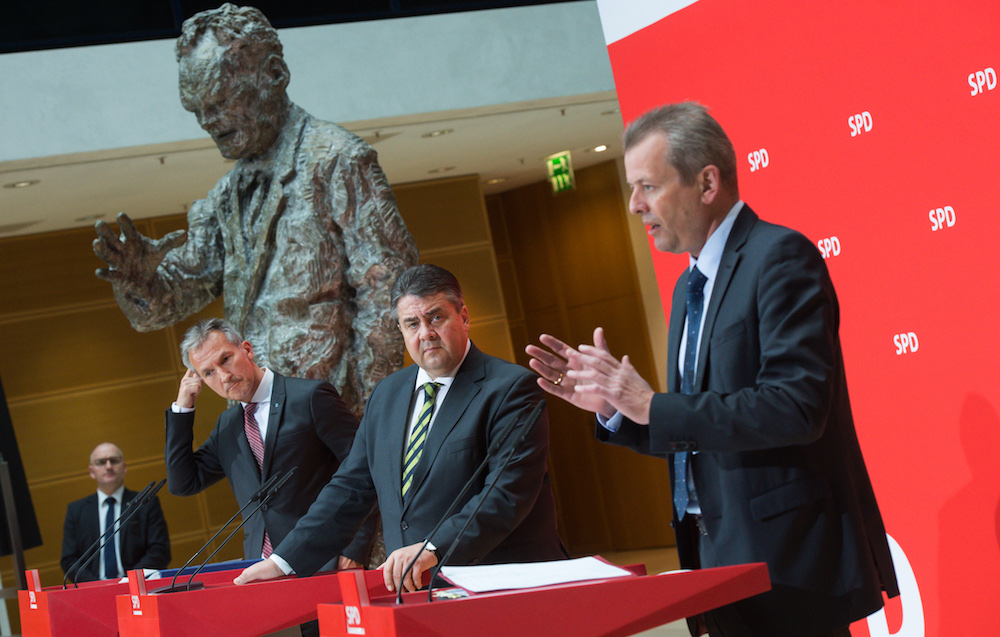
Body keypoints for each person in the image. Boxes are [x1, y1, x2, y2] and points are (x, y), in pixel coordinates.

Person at [526, 103, 899, 637]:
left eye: (647, 187)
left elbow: (796, 407)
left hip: (788, 564)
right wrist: (618, 411)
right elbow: (697, 431)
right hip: (714, 560)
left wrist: (652, 404)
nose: (634, 205)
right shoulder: (686, 287)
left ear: (706, 183)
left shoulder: (780, 258)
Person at [92, 3, 417, 419]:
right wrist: (140, 280)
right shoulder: (226, 196)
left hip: (334, 414)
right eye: (197, 109)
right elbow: (172, 299)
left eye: (223, 100)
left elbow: (387, 294)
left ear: (275, 75)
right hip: (263, 419)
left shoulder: (337, 160)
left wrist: (371, 417)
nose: (209, 121)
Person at [234, 264, 566, 593]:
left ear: (463, 317)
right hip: (417, 594)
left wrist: (433, 547)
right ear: (401, 329)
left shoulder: (511, 388)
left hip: (500, 588)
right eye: (412, 323)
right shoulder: (387, 394)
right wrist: (283, 561)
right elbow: (350, 488)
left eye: (436, 317)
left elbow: (507, 494)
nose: (426, 333)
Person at [167, 318, 371, 567]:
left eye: (225, 359)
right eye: (208, 373)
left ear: (247, 350)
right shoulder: (228, 426)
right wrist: (182, 409)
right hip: (261, 566)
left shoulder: (309, 397)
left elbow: (367, 468)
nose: (224, 376)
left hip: (325, 559)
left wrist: (355, 549)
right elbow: (183, 482)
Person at [61, 442, 170, 582]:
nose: (108, 466)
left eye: (114, 461)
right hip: (93, 591)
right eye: (101, 462)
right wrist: (97, 587)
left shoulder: (146, 503)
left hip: (138, 586)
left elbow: (159, 551)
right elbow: (69, 559)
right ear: (91, 471)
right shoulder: (76, 510)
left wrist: (127, 582)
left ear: (124, 467)